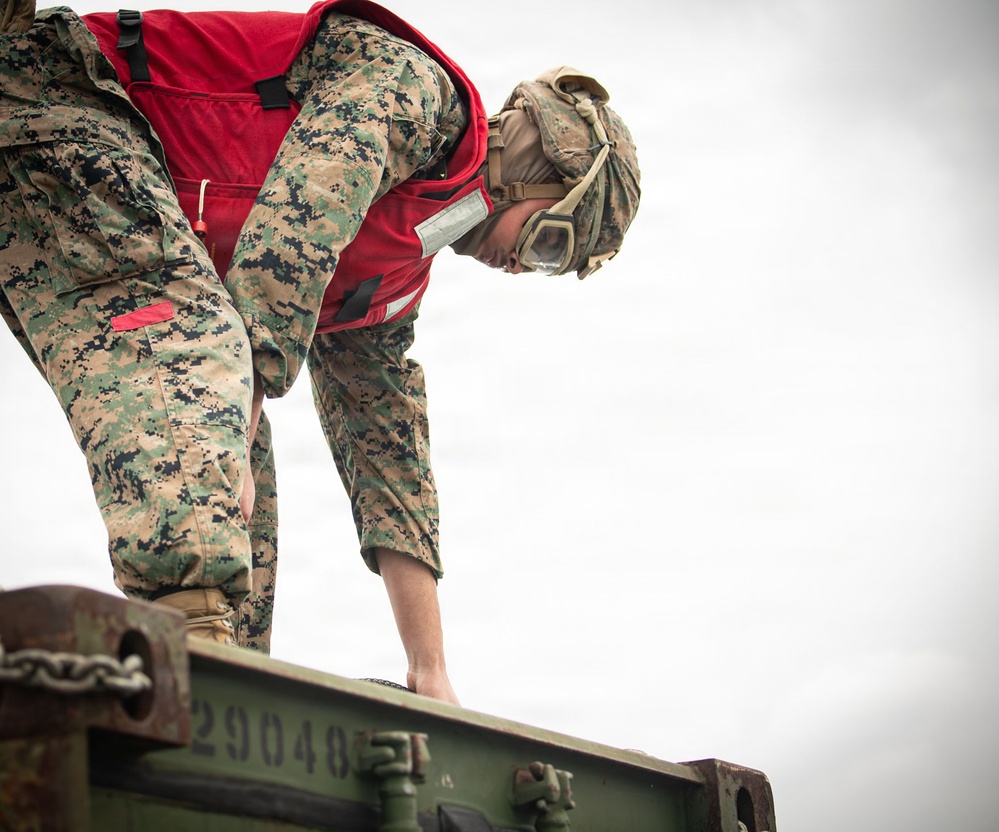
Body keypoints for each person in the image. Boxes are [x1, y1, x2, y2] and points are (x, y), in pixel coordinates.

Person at [0, 0, 640, 704]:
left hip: (71, 185)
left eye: (550, 265)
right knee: (208, 381)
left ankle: (219, 684)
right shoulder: (415, 91)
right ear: (530, 169)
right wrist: (237, 416)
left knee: (244, 475)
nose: (523, 267)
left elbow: (389, 458)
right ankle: (191, 668)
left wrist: (431, 671)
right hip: (57, 98)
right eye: (548, 240)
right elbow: (304, 213)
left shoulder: (391, 279)